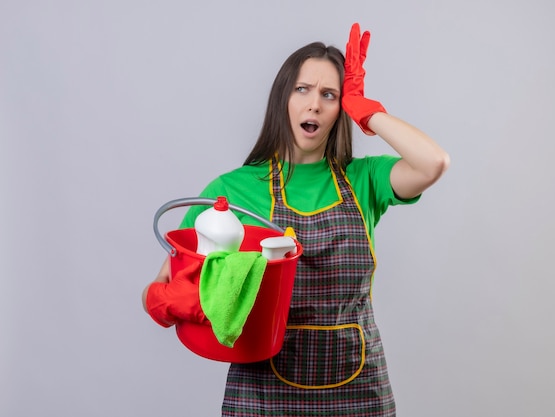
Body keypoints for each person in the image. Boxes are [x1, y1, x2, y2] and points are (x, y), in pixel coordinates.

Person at [142, 23, 449, 416]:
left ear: (341, 109)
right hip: (262, 391)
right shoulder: (233, 190)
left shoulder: (365, 179)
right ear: (282, 98)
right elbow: (164, 283)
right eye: (302, 89)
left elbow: (433, 162)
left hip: (359, 391)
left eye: (330, 95)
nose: (314, 105)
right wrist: (171, 300)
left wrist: (367, 111)